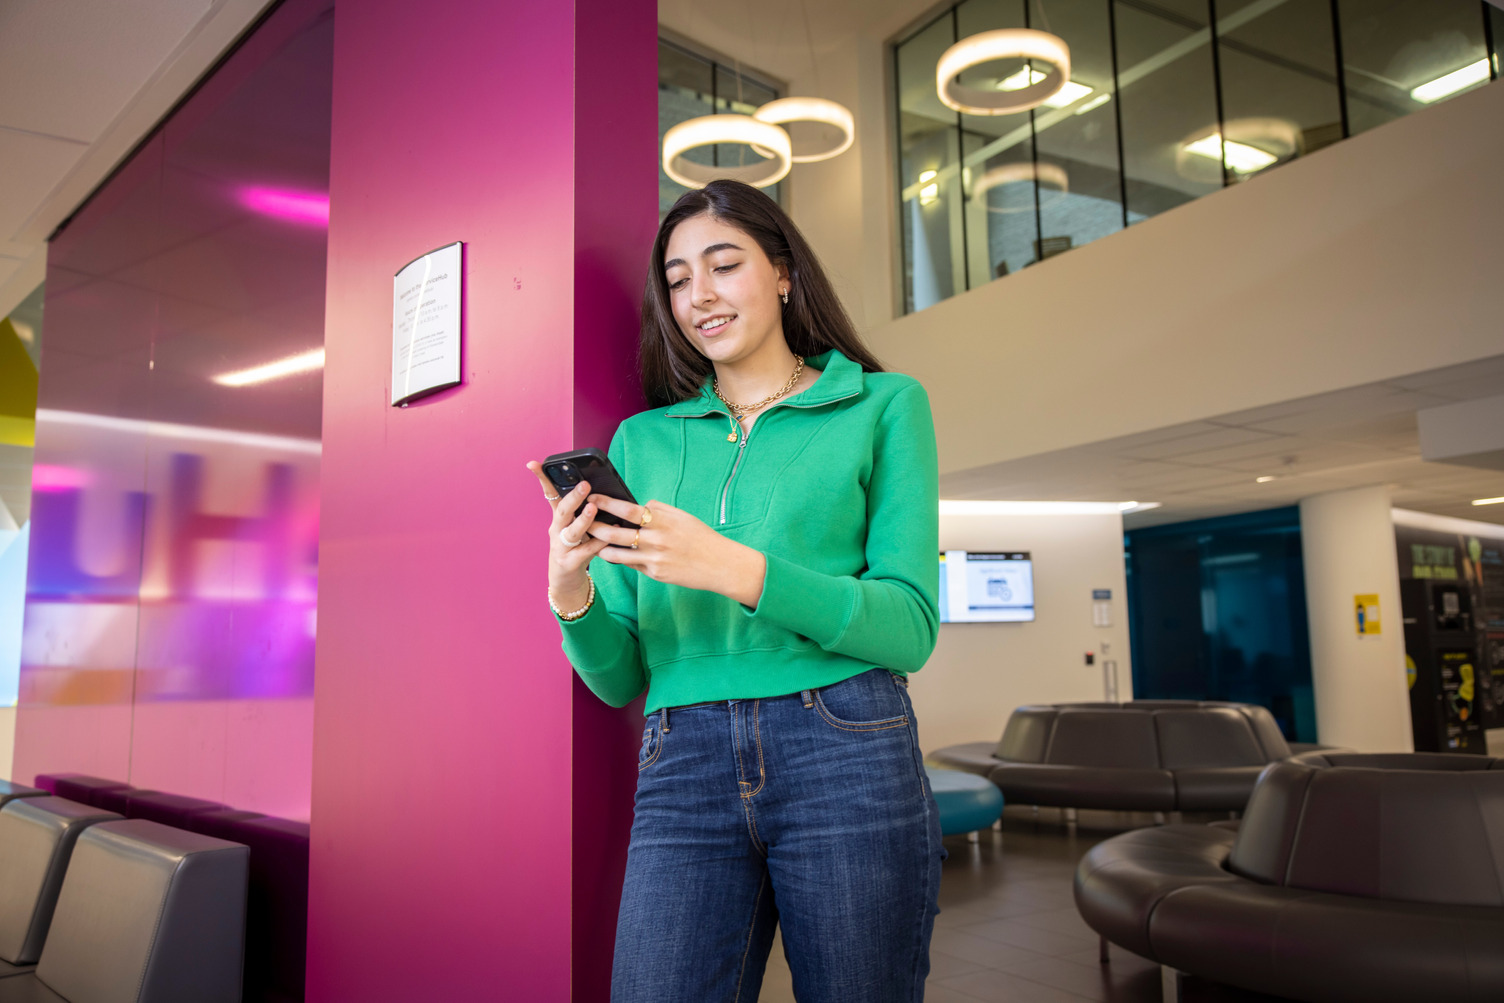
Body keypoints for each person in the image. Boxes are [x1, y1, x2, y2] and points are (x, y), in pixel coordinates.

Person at [526, 179, 943, 1003]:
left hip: (847, 745)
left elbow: (910, 627)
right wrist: (569, 588)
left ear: (784, 272)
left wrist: (736, 570)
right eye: (677, 279)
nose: (698, 296)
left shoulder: (884, 404)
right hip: (681, 757)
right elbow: (619, 678)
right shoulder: (643, 439)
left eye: (723, 265)